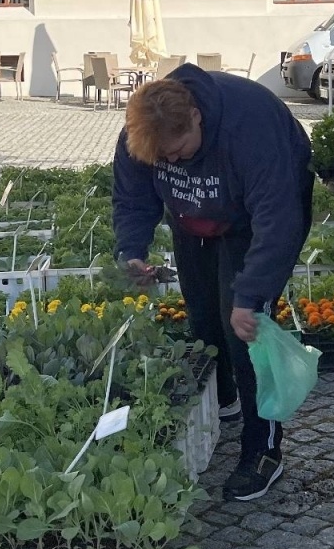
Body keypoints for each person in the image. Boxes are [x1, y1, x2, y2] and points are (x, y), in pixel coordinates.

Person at [113, 65, 312, 502]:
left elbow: (277, 222)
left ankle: (263, 450)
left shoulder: (250, 126)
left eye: (180, 151)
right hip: (193, 219)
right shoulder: (143, 133)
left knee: (243, 331)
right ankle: (225, 401)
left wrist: (252, 296)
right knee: (204, 322)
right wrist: (132, 249)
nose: (173, 161)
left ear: (196, 118)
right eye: (162, 159)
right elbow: (133, 196)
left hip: (254, 220)